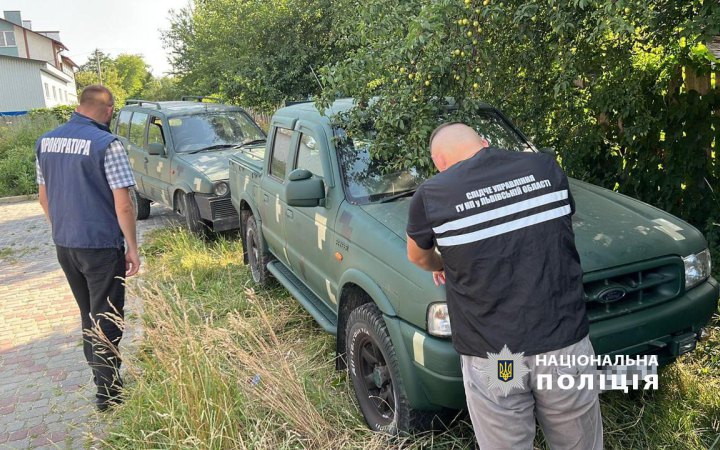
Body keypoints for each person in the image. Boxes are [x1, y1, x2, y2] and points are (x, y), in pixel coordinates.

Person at [406, 123, 602, 449]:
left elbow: (418, 256)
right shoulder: (543, 167)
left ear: (439, 162)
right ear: (485, 144)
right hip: (561, 348)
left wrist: (443, 264)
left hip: (498, 357)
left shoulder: (433, 195)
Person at [35, 84, 140, 411]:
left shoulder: (46, 141)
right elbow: (123, 205)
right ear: (108, 110)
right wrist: (133, 248)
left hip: (66, 244)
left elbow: (44, 196)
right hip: (100, 246)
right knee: (107, 316)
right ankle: (107, 394)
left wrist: (63, 227)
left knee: (88, 314)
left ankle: (105, 379)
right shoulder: (107, 144)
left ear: (81, 105)